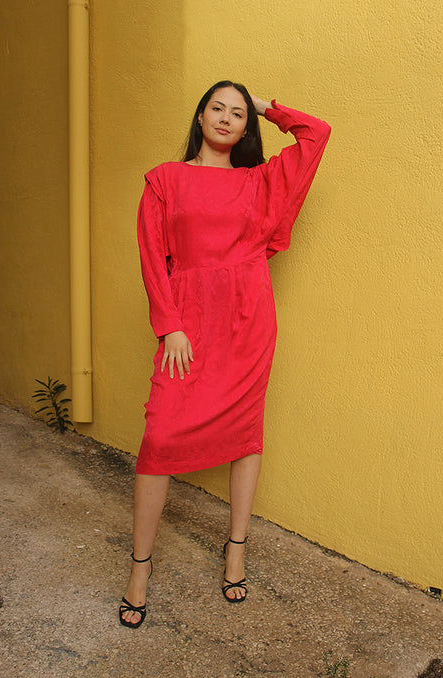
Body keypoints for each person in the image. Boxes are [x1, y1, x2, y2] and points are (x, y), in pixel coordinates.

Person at [119, 81, 330, 628]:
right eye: (219, 108)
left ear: (245, 127)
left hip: (247, 322)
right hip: (189, 323)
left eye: (238, 114)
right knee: (160, 436)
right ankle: (139, 568)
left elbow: (316, 134)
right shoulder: (166, 178)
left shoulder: (259, 182)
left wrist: (268, 107)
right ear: (201, 115)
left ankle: (235, 550)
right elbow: (150, 255)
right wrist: (170, 327)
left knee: (245, 433)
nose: (227, 118)